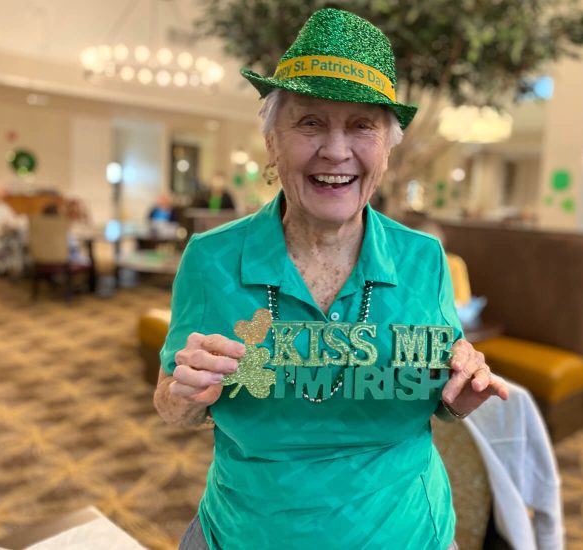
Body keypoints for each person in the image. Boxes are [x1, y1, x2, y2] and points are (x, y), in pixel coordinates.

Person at [153, 9, 508, 550]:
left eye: (363, 125)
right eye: (310, 122)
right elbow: (170, 405)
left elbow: (440, 393)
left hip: (407, 533)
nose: (337, 150)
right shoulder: (212, 258)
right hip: (249, 531)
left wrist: (461, 392)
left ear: (386, 149)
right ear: (272, 143)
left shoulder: (424, 258)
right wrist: (186, 396)